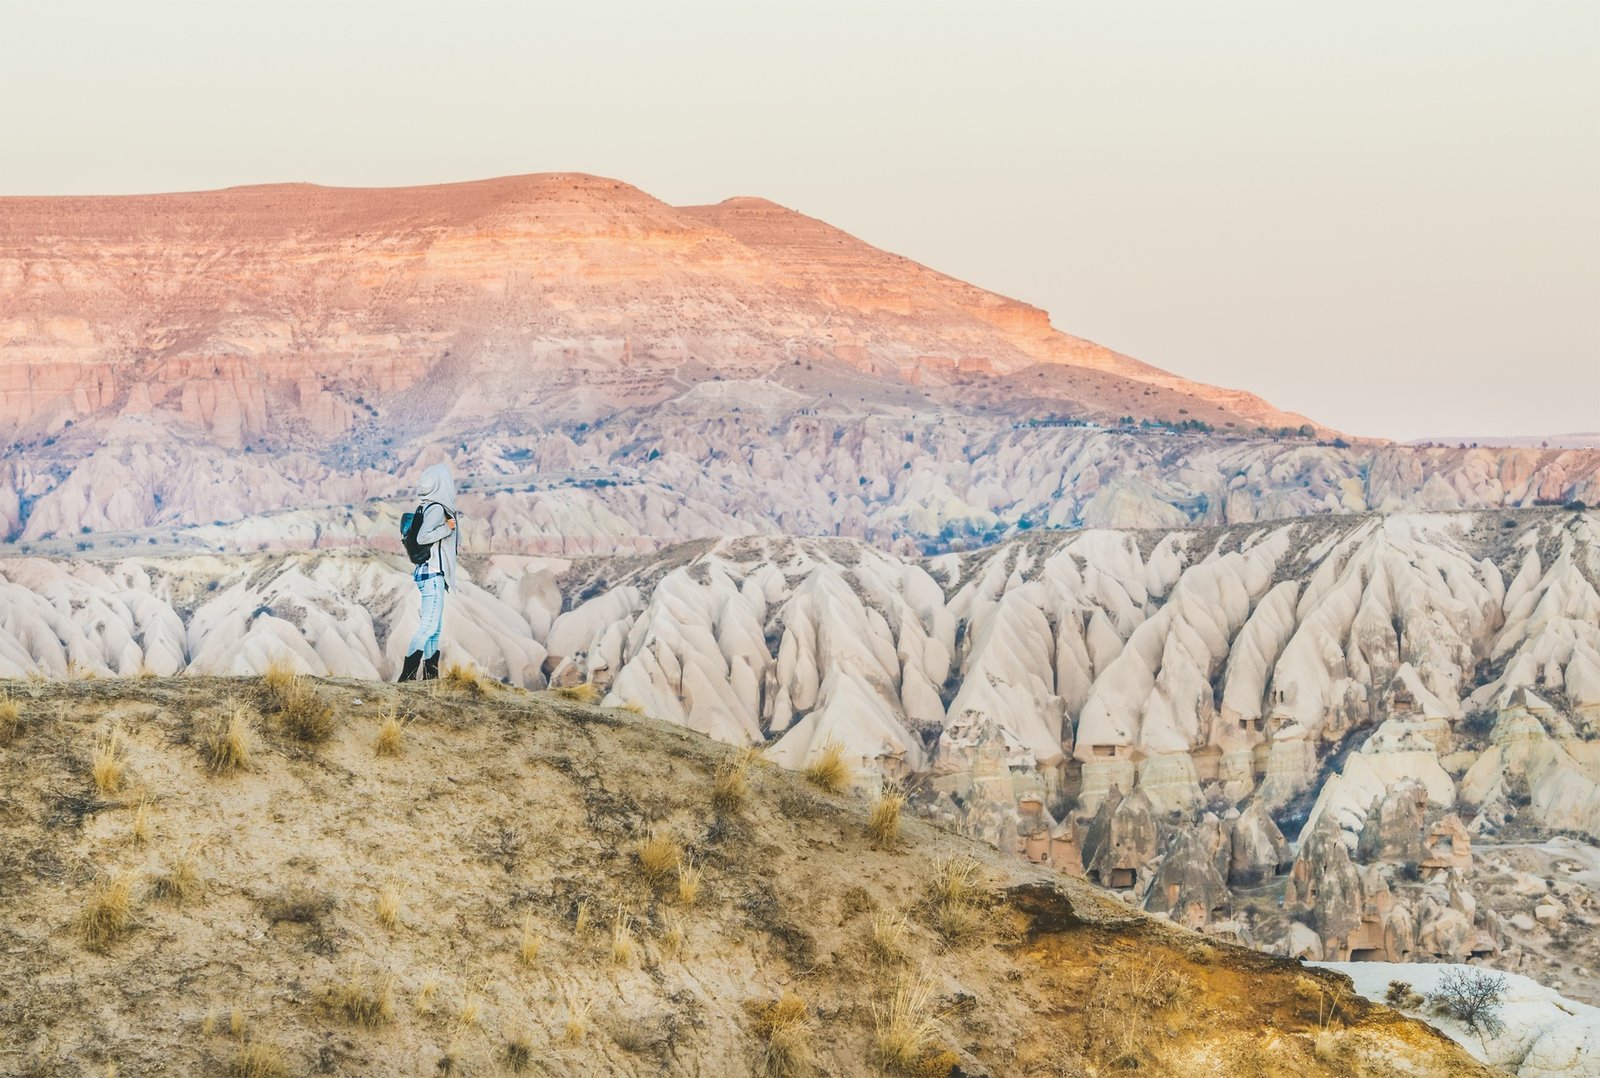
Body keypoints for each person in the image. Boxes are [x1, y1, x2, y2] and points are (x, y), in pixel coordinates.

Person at [397, 463, 459, 681]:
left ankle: (431, 679)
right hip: (432, 574)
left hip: (430, 574)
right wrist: (447, 528)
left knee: (435, 629)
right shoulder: (436, 508)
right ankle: (407, 678)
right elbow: (422, 538)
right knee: (429, 626)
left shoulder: (427, 506)